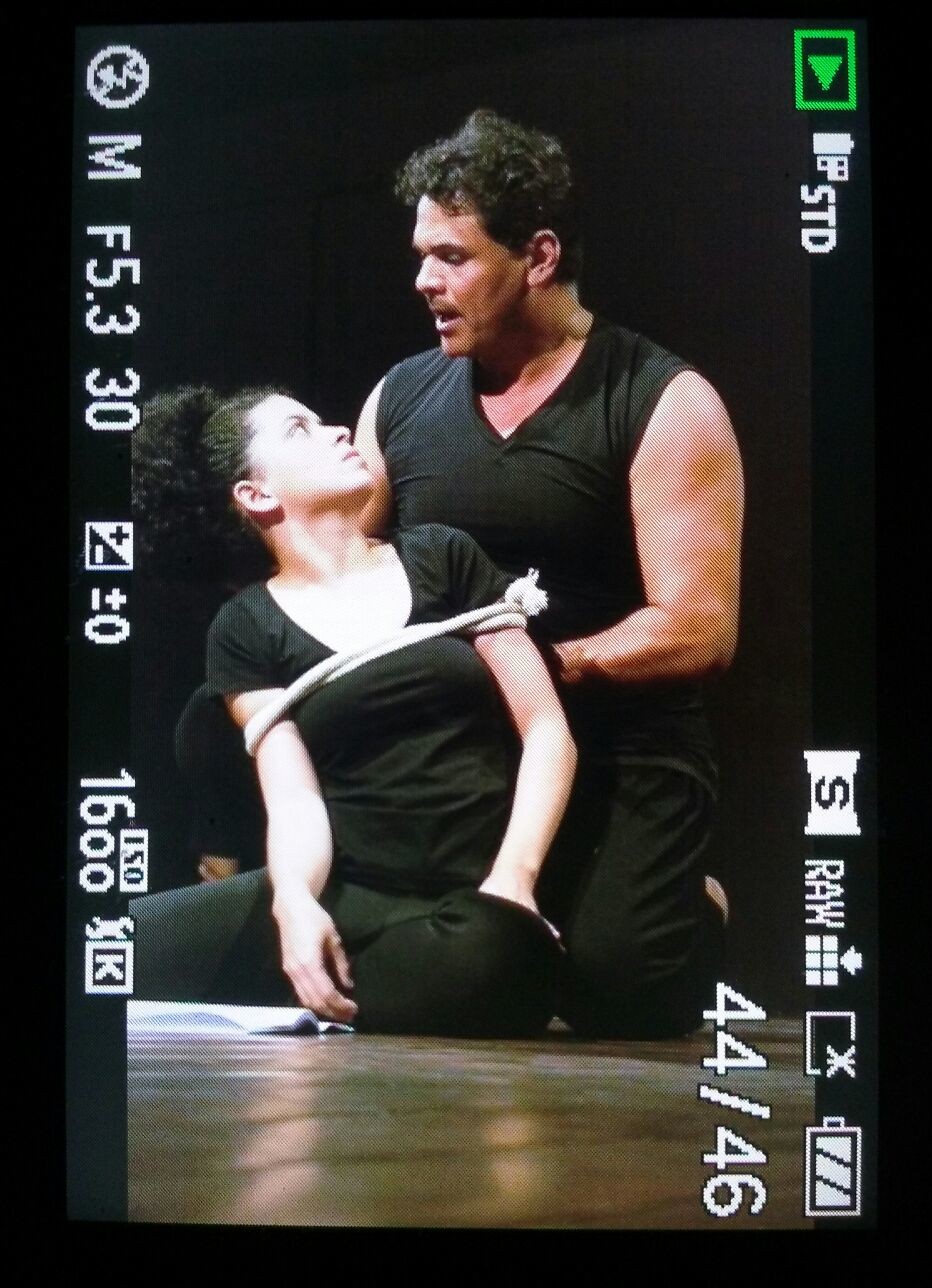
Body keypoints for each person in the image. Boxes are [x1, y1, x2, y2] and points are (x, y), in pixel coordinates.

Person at [351, 110, 745, 1039]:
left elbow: (698, 627)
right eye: (421, 256)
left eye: (452, 257)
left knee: (619, 989)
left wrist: (536, 673)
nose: (424, 281)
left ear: (537, 256)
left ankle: (690, 901)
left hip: (621, 748)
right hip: (461, 751)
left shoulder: (660, 398)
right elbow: (354, 577)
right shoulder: (399, 398)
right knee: (434, 966)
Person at [129, 385, 575, 1038]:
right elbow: (295, 800)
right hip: (351, 894)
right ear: (256, 494)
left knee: (492, 952)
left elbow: (546, 730)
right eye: (299, 429)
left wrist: (515, 877)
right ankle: (308, 965)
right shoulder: (247, 625)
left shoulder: (440, 558)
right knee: (104, 951)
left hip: (480, 889)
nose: (338, 430)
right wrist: (295, 903)